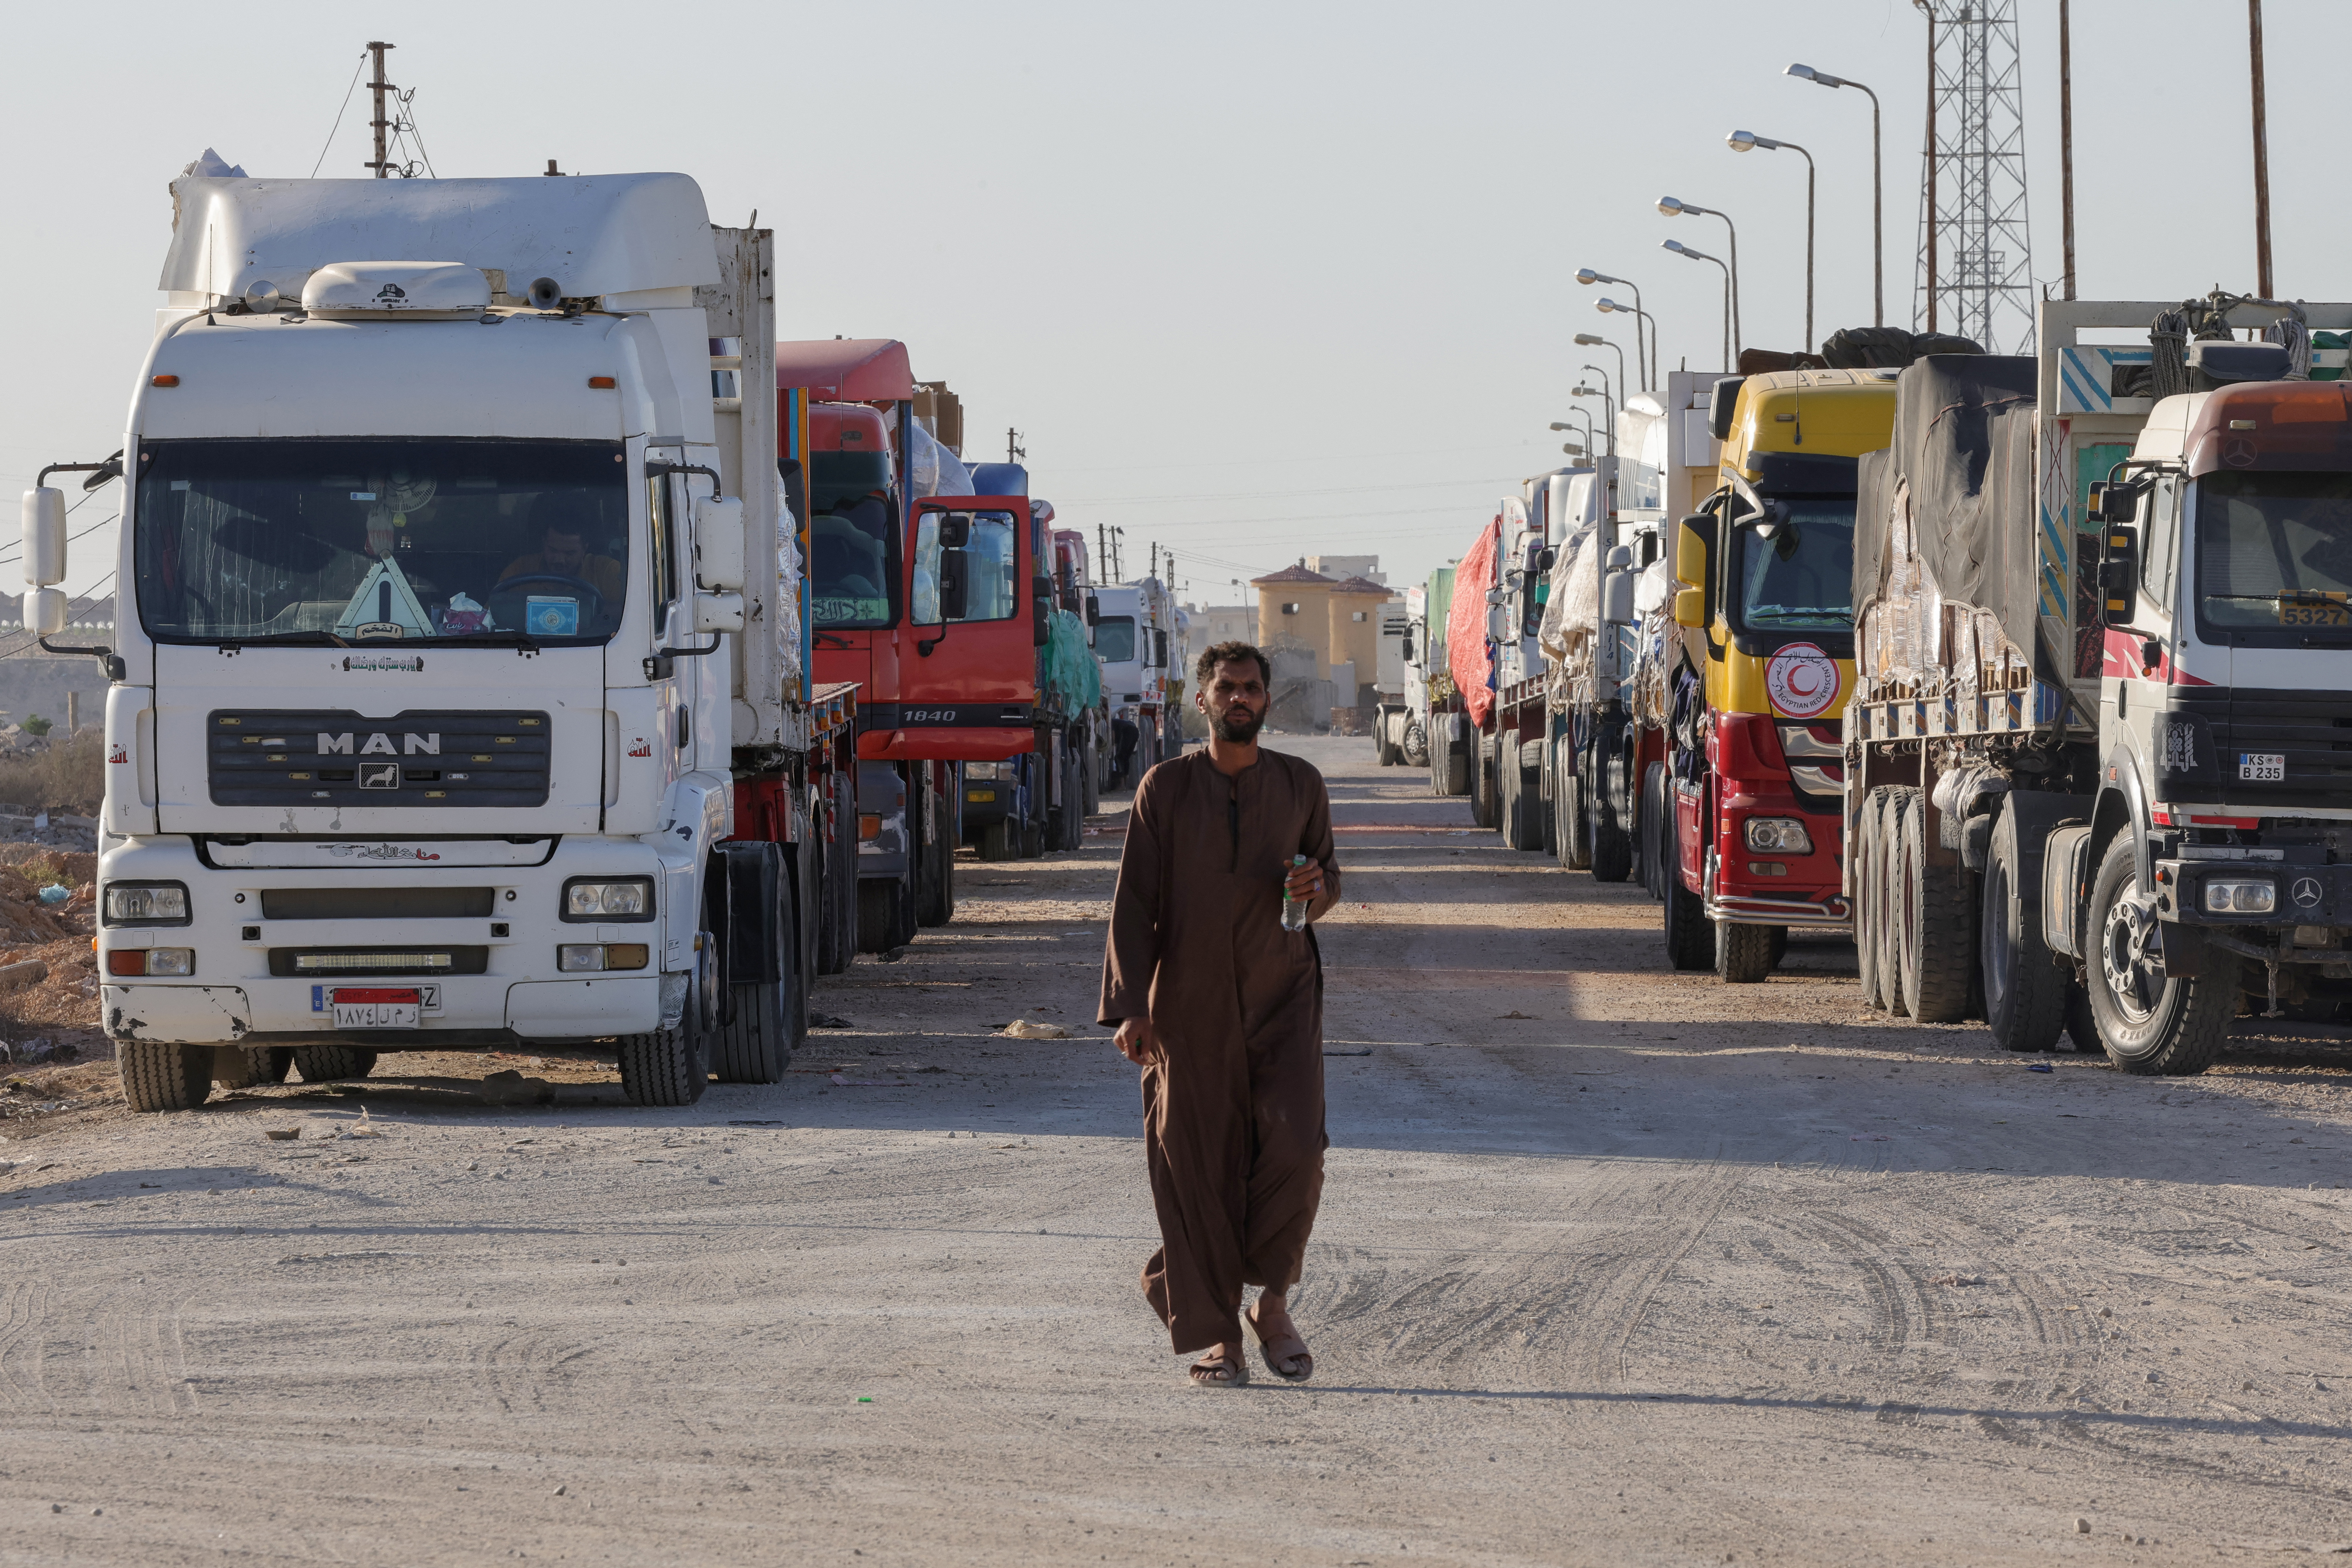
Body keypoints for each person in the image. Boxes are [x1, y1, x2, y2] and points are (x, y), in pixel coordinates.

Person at [1098, 641, 1341, 1386]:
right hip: (1189, 1007)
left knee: (1296, 1150)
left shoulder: (1300, 784)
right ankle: (1217, 1336)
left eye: (1252, 689)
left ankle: (1270, 1304)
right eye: (1226, 688)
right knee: (1196, 1165)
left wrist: (1313, 888)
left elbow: (1326, 878)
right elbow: (1134, 905)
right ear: (1200, 700)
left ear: (1268, 702)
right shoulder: (1164, 790)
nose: (1240, 699)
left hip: (1283, 996)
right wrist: (1131, 1008)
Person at [499, 522, 625, 607]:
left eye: (569, 553)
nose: (560, 560)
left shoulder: (607, 571)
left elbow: (629, 617)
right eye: (553, 550)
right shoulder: (520, 570)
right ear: (544, 543)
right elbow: (491, 614)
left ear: (585, 548)